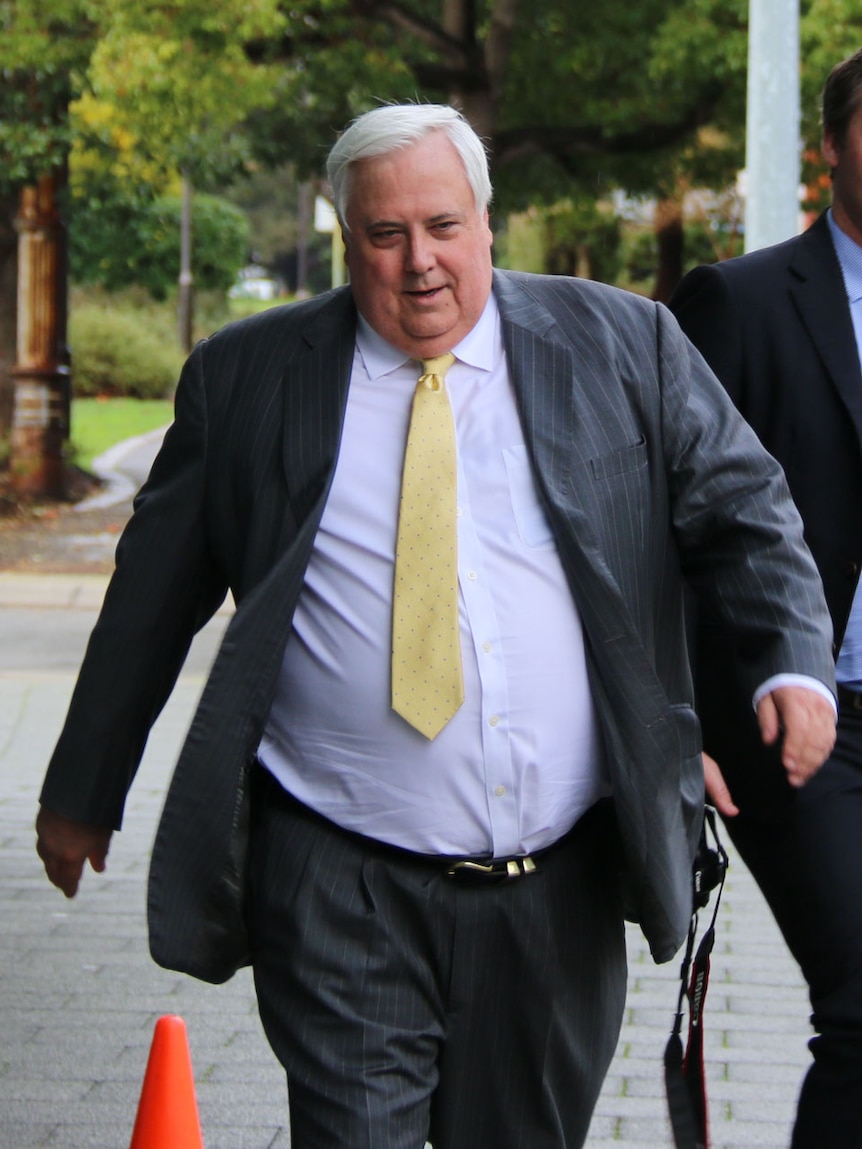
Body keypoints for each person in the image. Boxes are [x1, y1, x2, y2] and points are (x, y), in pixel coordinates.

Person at [37, 103, 836, 1149]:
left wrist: (791, 663)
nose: (421, 262)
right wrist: (83, 792)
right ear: (344, 235)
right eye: (386, 234)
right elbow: (150, 596)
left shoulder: (622, 344)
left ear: (486, 222)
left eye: (444, 227)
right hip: (338, 876)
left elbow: (746, 509)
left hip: (559, 886)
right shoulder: (248, 380)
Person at [669, 49, 862, 1149]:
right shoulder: (735, 303)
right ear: (829, 146)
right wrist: (672, 718)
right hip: (792, 720)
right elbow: (660, 527)